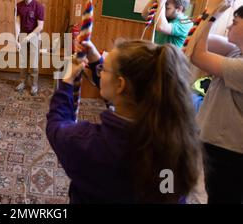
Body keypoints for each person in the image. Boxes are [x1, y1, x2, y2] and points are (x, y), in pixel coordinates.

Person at [47, 39, 201, 203]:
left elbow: (57, 125)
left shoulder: (90, 144)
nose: (101, 70)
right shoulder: (171, 146)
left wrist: (67, 80)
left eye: (104, 69)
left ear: (120, 85)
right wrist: (96, 61)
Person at [190, 0, 243, 204]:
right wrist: (223, 5)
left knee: (223, 199)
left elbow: (196, 53)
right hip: (221, 147)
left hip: (230, 153)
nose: (230, 27)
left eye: (235, 22)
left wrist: (211, 10)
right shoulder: (235, 53)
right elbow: (199, 40)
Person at [15, 0, 45, 96]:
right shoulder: (18, 5)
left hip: (34, 36)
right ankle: (22, 82)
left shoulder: (39, 6)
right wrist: (16, 38)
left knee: (33, 63)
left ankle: (34, 85)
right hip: (23, 35)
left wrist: (28, 37)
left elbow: (40, 26)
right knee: (23, 62)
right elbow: (17, 22)